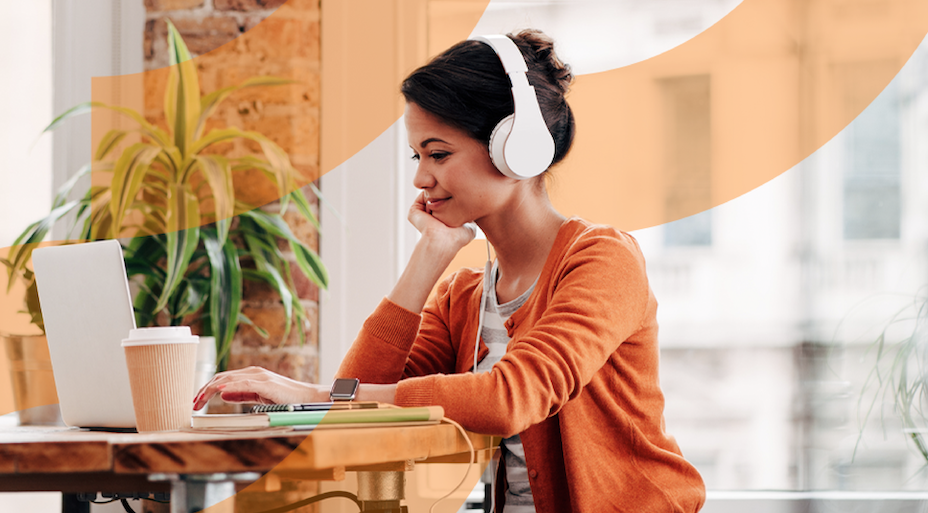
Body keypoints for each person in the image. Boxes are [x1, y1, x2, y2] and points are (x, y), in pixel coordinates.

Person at [193, 30, 706, 512]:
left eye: (438, 154)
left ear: (515, 149)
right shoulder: (464, 295)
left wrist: (309, 395)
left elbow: (511, 398)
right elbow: (358, 411)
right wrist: (430, 255)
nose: (420, 177)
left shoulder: (602, 260)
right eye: (417, 155)